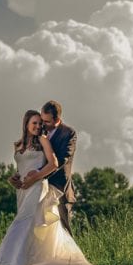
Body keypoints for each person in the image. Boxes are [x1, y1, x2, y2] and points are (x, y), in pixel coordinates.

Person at [0, 109, 118, 265]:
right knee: (31, 228)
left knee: (20, 226)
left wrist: (35, 178)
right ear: (26, 124)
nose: (37, 126)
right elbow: (21, 169)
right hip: (23, 191)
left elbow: (53, 163)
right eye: (34, 123)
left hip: (37, 188)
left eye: (39, 123)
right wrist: (15, 179)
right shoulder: (18, 145)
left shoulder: (43, 141)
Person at [37, 100, 77, 234]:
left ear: (57, 119)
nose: (43, 124)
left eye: (47, 121)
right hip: (38, 189)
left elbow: (62, 159)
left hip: (60, 189)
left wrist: (40, 175)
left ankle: (70, 256)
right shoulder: (38, 130)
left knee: (63, 229)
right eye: (42, 120)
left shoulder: (69, 133)